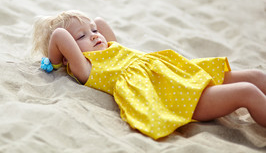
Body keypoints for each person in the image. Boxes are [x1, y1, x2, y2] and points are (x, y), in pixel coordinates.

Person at [32, 10, 266, 139]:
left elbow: (101, 22)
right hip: (174, 95)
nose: (94, 35)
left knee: (256, 77)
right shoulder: (86, 68)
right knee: (247, 92)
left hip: (180, 74)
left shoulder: (111, 49)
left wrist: (88, 27)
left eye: (93, 31)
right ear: (67, 56)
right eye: (82, 37)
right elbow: (60, 35)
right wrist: (54, 62)